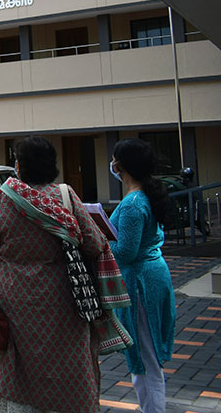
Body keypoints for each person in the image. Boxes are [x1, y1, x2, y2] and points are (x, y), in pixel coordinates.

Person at [0, 136, 113, 412]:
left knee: (18, 364)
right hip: (63, 299)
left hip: (12, 300)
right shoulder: (65, 196)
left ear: (19, 166)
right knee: (68, 359)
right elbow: (95, 244)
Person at [109, 138, 175, 413]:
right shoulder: (144, 196)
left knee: (145, 360)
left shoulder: (134, 203)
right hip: (153, 277)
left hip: (141, 285)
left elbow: (125, 251)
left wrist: (101, 238)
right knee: (149, 357)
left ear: (120, 166)